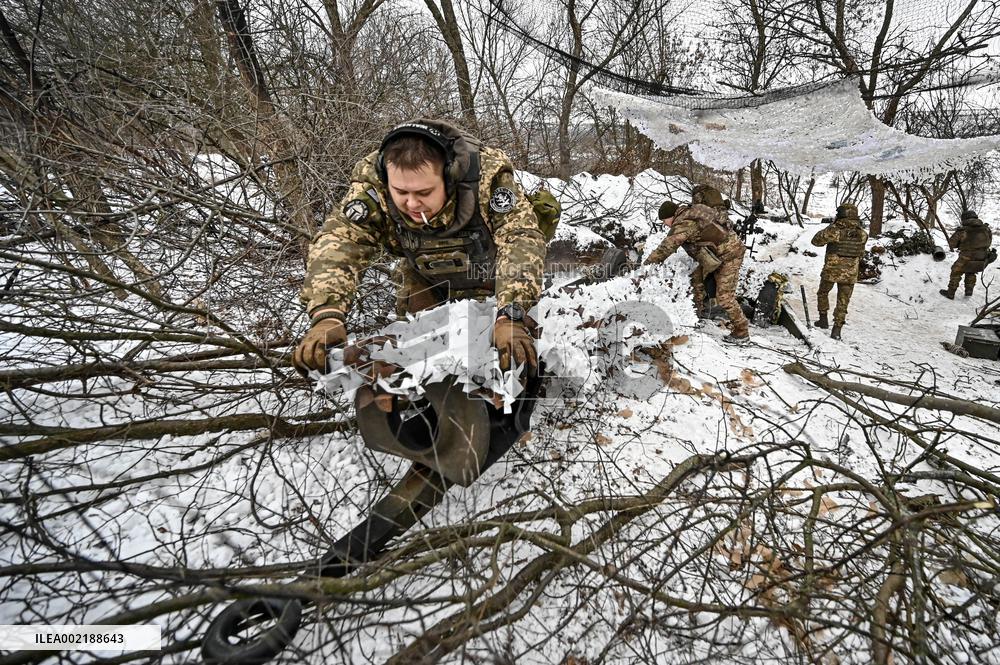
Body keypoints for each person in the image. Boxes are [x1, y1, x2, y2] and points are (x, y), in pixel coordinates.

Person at [291, 118, 546, 377]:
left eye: (423, 193)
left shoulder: (487, 176)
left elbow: (520, 238)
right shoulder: (373, 184)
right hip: (426, 277)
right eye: (401, 193)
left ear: (450, 178)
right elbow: (342, 241)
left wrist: (511, 313)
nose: (412, 204)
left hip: (494, 275)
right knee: (422, 359)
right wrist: (327, 314)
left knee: (507, 354)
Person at [645, 185, 750, 344]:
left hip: (730, 255)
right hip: (718, 254)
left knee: (725, 297)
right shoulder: (690, 213)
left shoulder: (684, 222)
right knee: (696, 279)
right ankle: (695, 316)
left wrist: (647, 265)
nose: (665, 225)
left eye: (664, 221)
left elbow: (666, 247)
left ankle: (742, 331)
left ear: (669, 216)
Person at [811, 202, 868, 340]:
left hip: (832, 271)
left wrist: (831, 226)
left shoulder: (835, 230)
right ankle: (837, 330)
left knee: (823, 292)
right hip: (850, 273)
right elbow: (860, 252)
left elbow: (816, 241)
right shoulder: (862, 233)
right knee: (843, 301)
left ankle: (823, 320)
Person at [940, 210, 994, 299]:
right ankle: (969, 291)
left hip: (966, 256)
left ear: (964, 219)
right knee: (971, 271)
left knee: (956, 272)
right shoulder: (986, 229)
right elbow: (989, 242)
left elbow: (952, 244)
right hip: (981, 256)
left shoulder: (963, 230)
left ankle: (950, 293)